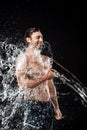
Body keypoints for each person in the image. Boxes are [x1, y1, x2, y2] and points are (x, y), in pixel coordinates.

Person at [15, 27, 62, 130]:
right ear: (28, 40)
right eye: (38, 37)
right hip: (32, 105)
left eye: (42, 38)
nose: (41, 40)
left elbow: (50, 85)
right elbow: (24, 85)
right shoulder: (23, 59)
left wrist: (56, 107)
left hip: (47, 106)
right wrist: (45, 77)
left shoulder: (46, 60)